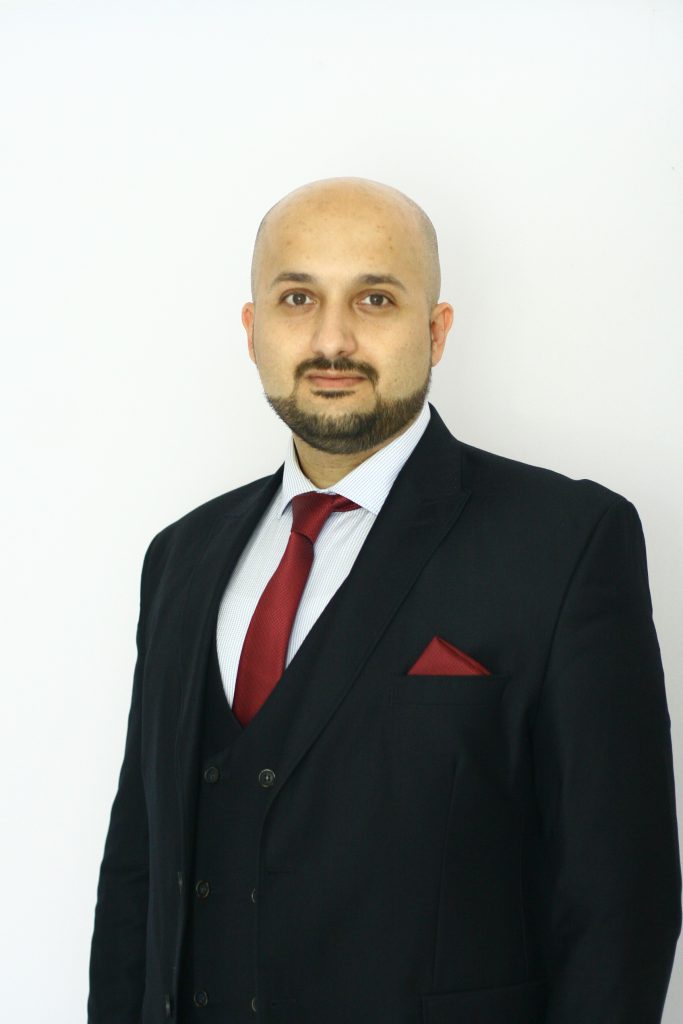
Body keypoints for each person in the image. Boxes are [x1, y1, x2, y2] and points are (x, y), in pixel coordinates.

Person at [88, 176, 681, 1024]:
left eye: (374, 299)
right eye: (298, 298)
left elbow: (618, 907)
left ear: (435, 331)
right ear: (252, 330)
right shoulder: (180, 557)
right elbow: (137, 871)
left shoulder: (565, 542)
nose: (332, 339)